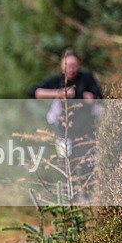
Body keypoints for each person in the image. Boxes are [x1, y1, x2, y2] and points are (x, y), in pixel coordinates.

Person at [28, 47, 103, 192]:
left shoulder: (87, 78)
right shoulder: (57, 80)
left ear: (79, 65)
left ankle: (88, 198)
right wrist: (59, 93)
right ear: (62, 65)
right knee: (66, 166)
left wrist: (90, 98)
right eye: (68, 65)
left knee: (88, 165)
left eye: (74, 65)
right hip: (63, 132)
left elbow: (99, 96)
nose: (71, 69)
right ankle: (69, 199)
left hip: (87, 130)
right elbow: (33, 91)